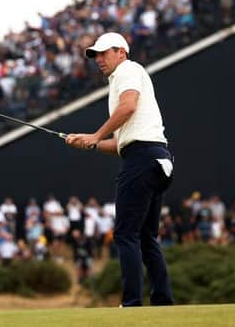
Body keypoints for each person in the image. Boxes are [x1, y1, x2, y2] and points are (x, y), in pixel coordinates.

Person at [66, 32, 174, 306]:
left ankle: (131, 303)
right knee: (147, 237)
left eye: (104, 53)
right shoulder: (125, 76)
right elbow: (121, 142)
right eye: (96, 55)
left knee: (126, 233)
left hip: (142, 159)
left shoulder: (127, 69)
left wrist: (95, 134)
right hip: (156, 157)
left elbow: (128, 107)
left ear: (121, 52)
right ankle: (162, 302)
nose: (99, 59)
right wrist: (90, 143)